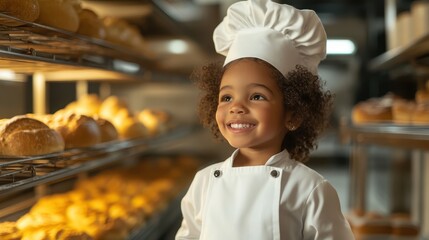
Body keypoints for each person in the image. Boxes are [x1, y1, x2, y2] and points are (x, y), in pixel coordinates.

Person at [175, 0, 355, 239]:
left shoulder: (309, 189)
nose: (237, 107)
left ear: (293, 113)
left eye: (257, 96)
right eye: (226, 97)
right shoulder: (203, 183)